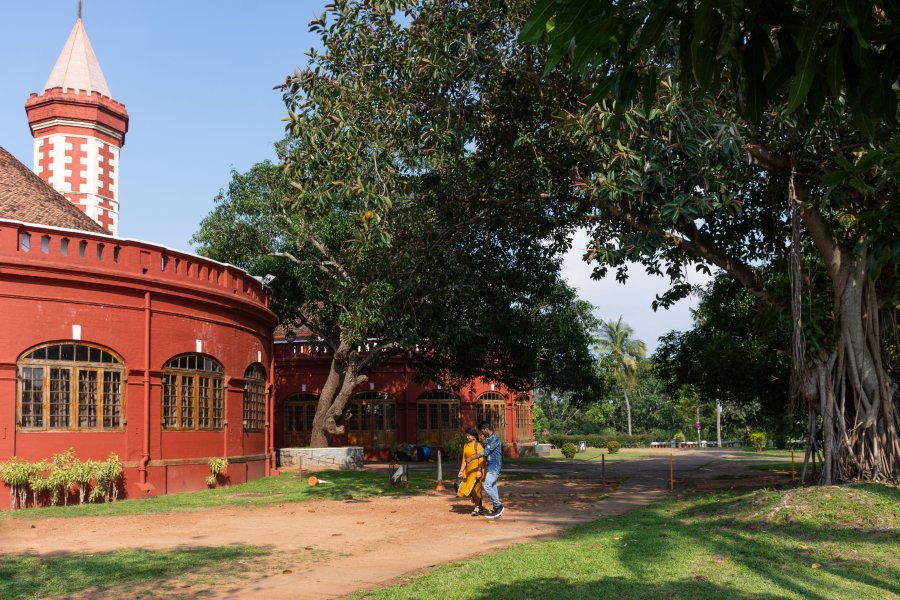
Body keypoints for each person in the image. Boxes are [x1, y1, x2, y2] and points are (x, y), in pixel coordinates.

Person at [466, 421, 504, 518]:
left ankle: (499, 506)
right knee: (492, 485)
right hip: (489, 465)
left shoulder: (495, 439)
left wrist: (471, 458)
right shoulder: (488, 439)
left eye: (482, 431)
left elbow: (485, 452)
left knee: (487, 485)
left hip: (494, 466)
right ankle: (496, 508)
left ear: (486, 429)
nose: (481, 433)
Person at [457, 427, 486, 515]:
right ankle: (479, 507)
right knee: (473, 489)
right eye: (467, 436)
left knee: (472, 488)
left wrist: (479, 470)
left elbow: (481, 459)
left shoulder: (478, 445)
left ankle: (477, 507)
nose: (467, 437)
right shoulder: (466, 445)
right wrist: (461, 471)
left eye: (469, 435)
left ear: (474, 436)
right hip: (469, 470)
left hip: (477, 469)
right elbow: (464, 460)